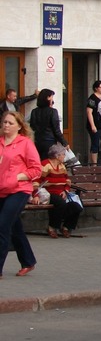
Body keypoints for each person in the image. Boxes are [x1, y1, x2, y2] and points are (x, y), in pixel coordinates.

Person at [0, 111, 41, 277]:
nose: (6, 126)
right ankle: (28, 261)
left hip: (19, 189)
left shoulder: (25, 143)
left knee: (2, 226)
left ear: (19, 126)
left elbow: (36, 169)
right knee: (14, 226)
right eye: (4, 123)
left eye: (10, 123)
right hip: (2, 189)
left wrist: (17, 177)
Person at [40, 143, 83, 239]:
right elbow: (38, 180)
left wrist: (65, 191)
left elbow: (67, 181)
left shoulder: (62, 166)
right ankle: (52, 227)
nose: (64, 156)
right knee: (60, 204)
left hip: (62, 193)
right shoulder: (46, 164)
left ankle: (66, 227)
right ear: (57, 155)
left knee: (77, 206)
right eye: (63, 154)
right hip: (49, 193)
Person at [29, 88, 67, 161]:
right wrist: (64, 142)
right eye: (51, 96)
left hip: (37, 142)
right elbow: (56, 130)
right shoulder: (52, 111)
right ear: (48, 98)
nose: (52, 99)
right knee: (48, 165)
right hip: (49, 142)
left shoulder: (34, 111)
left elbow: (32, 127)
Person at [85, 79, 101, 165]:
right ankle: (94, 164)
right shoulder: (92, 99)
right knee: (95, 144)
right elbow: (89, 112)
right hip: (95, 124)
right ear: (96, 88)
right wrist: (93, 126)